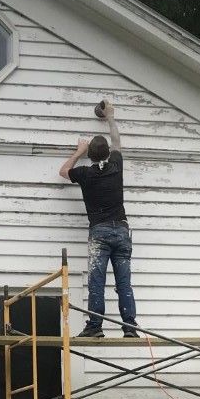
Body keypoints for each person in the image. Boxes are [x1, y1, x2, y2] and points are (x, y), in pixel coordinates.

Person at [59, 100, 138, 339]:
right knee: (124, 281)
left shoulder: (85, 173)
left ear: (91, 156)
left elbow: (63, 172)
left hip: (100, 233)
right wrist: (111, 117)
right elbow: (116, 141)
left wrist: (78, 151)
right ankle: (130, 328)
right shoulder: (116, 165)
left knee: (97, 279)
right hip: (122, 232)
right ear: (107, 154)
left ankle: (95, 326)